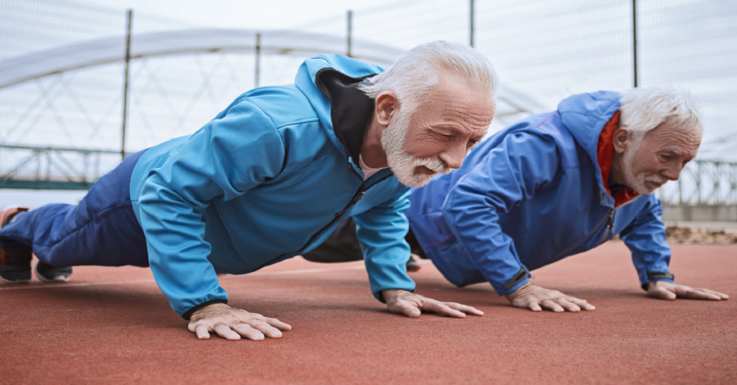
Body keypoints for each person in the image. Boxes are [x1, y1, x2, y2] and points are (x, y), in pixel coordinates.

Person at [0, 41, 498, 340]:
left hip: (205, 235)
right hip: (141, 199)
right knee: (64, 240)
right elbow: (168, 194)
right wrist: (205, 303)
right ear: (387, 109)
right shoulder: (276, 125)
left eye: (472, 141)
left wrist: (394, 286)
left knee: (68, 246)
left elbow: (385, 212)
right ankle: (17, 225)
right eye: (444, 135)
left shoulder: (399, 154)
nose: (456, 161)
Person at [307, 87, 729, 312]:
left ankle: (398, 255)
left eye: (685, 162)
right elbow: (469, 205)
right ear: (622, 140)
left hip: (458, 241)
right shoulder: (545, 145)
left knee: (375, 250)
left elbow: (646, 216)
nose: (674, 174)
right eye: (667, 157)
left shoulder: (637, 180)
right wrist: (518, 285)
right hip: (422, 216)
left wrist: (659, 275)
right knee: (314, 240)